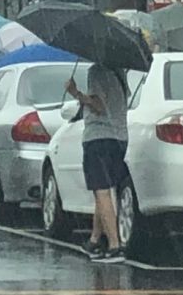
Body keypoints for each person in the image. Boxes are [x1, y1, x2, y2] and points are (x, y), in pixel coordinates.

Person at [65, 63, 129, 264]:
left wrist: (76, 93)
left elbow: (99, 106)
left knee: (101, 191)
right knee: (104, 192)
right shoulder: (119, 72)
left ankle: (114, 246)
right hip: (119, 137)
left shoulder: (97, 71)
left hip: (98, 137)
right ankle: (94, 240)